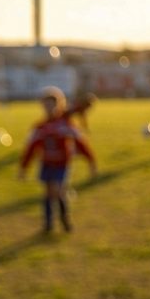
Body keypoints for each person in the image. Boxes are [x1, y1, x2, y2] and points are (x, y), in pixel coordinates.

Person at [19, 86, 97, 233]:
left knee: (57, 190)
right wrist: (23, 167)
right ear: (42, 106)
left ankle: (64, 218)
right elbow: (31, 147)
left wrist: (90, 160)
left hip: (61, 164)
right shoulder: (40, 127)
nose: (49, 108)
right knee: (48, 192)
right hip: (47, 164)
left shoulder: (65, 124)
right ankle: (48, 223)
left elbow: (80, 141)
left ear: (60, 104)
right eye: (46, 104)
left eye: (52, 104)